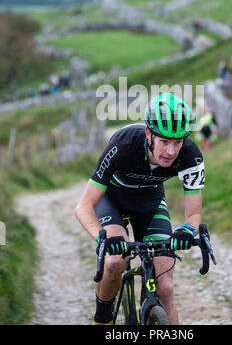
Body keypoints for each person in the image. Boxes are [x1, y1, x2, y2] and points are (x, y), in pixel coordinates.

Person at [74, 93, 205, 325]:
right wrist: (101, 238)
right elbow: (83, 207)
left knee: (165, 288)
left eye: (177, 142)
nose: (171, 152)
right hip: (112, 200)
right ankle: (102, 318)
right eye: (164, 141)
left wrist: (187, 230)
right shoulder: (123, 143)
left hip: (149, 202)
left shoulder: (191, 155)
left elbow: (193, 214)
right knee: (115, 260)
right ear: (149, 134)